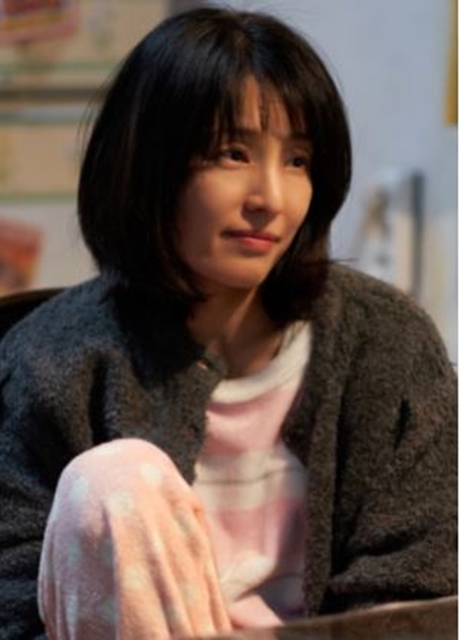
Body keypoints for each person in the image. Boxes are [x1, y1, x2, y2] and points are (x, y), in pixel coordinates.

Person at [0, 7, 456, 640]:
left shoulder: (388, 345)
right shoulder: (50, 360)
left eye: (298, 161)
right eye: (233, 153)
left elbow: (416, 591)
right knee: (113, 478)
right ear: (149, 165)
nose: (270, 198)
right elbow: (14, 599)